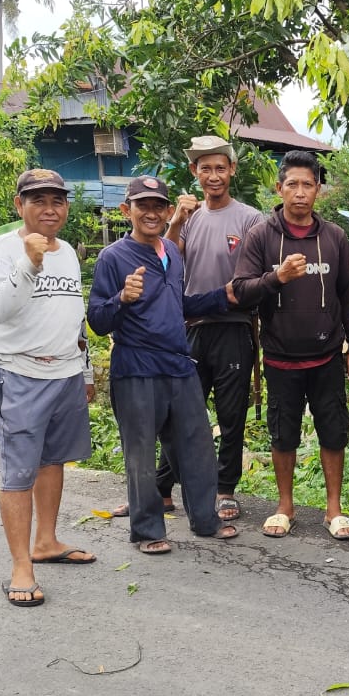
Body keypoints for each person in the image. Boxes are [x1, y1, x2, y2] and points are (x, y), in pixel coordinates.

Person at [87, 176, 241, 554]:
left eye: (159, 206)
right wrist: (122, 298)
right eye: (143, 205)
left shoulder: (171, 252)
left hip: (179, 365)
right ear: (126, 210)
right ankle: (147, 530)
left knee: (197, 448)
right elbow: (97, 320)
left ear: (169, 211)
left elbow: (178, 307)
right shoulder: (113, 257)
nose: (152, 213)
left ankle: (205, 520)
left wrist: (222, 296)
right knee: (140, 454)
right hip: (136, 368)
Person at [127, 134, 264, 523]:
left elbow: (257, 276)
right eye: (206, 169)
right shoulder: (187, 218)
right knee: (179, 413)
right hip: (189, 327)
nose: (214, 176)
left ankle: (225, 489)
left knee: (231, 414)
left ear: (232, 169)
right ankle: (162, 488)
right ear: (194, 171)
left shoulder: (251, 219)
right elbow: (164, 262)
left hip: (235, 327)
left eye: (220, 168)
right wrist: (175, 223)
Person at [232, 150, 349, 540]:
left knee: (333, 432)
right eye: (293, 184)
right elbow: (240, 290)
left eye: (308, 184)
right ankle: (285, 506)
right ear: (280, 188)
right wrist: (277, 278)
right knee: (283, 434)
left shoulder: (335, 237)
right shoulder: (261, 236)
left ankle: (333, 509)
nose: (301, 192)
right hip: (280, 357)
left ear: (318, 189)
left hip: (327, 356)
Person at [0, 168, 97, 607]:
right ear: (19, 205)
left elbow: (73, 316)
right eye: (38, 200)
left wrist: (85, 371)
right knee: (18, 472)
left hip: (65, 374)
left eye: (57, 200)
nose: (50, 209)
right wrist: (28, 263)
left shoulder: (67, 253)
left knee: (53, 460)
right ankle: (20, 567)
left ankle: (46, 542)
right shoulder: (0, 249)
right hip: (19, 373)